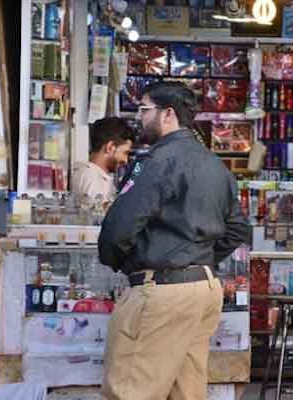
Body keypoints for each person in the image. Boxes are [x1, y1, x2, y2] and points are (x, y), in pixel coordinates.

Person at [98, 81, 249, 400]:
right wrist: (198, 257)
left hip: (162, 290)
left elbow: (119, 228)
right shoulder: (214, 164)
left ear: (167, 114)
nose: (140, 117)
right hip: (203, 289)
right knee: (186, 392)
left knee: (130, 390)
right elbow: (237, 229)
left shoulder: (156, 161)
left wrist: (127, 264)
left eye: (144, 110)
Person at [70, 117, 134, 202]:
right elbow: (93, 214)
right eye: (125, 153)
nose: (125, 161)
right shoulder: (91, 177)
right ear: (110, 147)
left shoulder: (94, 175)